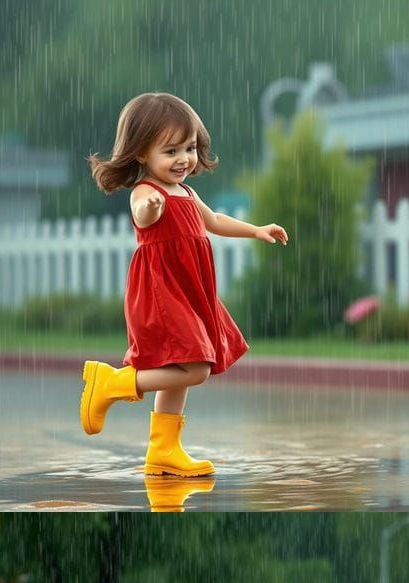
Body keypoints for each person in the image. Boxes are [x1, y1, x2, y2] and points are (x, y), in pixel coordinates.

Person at [81, 92, 289, 476]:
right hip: (163, 290)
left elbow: (215, 221)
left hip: (190, 289)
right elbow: (142, 216)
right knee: (196, 368)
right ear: (141, 153)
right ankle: (112, 383)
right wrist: (151, 210)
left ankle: (163, 450)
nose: (184, 159)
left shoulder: (188, 191)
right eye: (171, 150)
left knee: (182, 365)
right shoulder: (147, 192)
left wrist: (256, 230)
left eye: (189, 148)